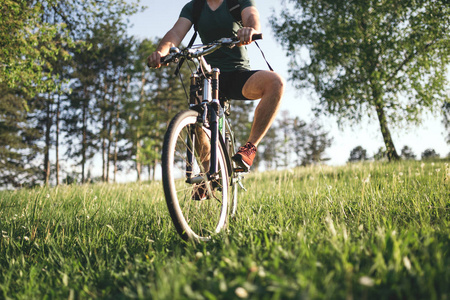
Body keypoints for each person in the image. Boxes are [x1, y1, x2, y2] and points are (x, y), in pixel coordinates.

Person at [147, 0, 285, 172]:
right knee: (196, 117)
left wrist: (251, 30)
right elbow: (175, 33)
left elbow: (251, 17)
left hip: (237, 73)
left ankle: (249, 148)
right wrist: (161, 52)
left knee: (275, 83)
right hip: (208, 77)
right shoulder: (194, 7)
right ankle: (207, 173)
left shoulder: (238, 1)